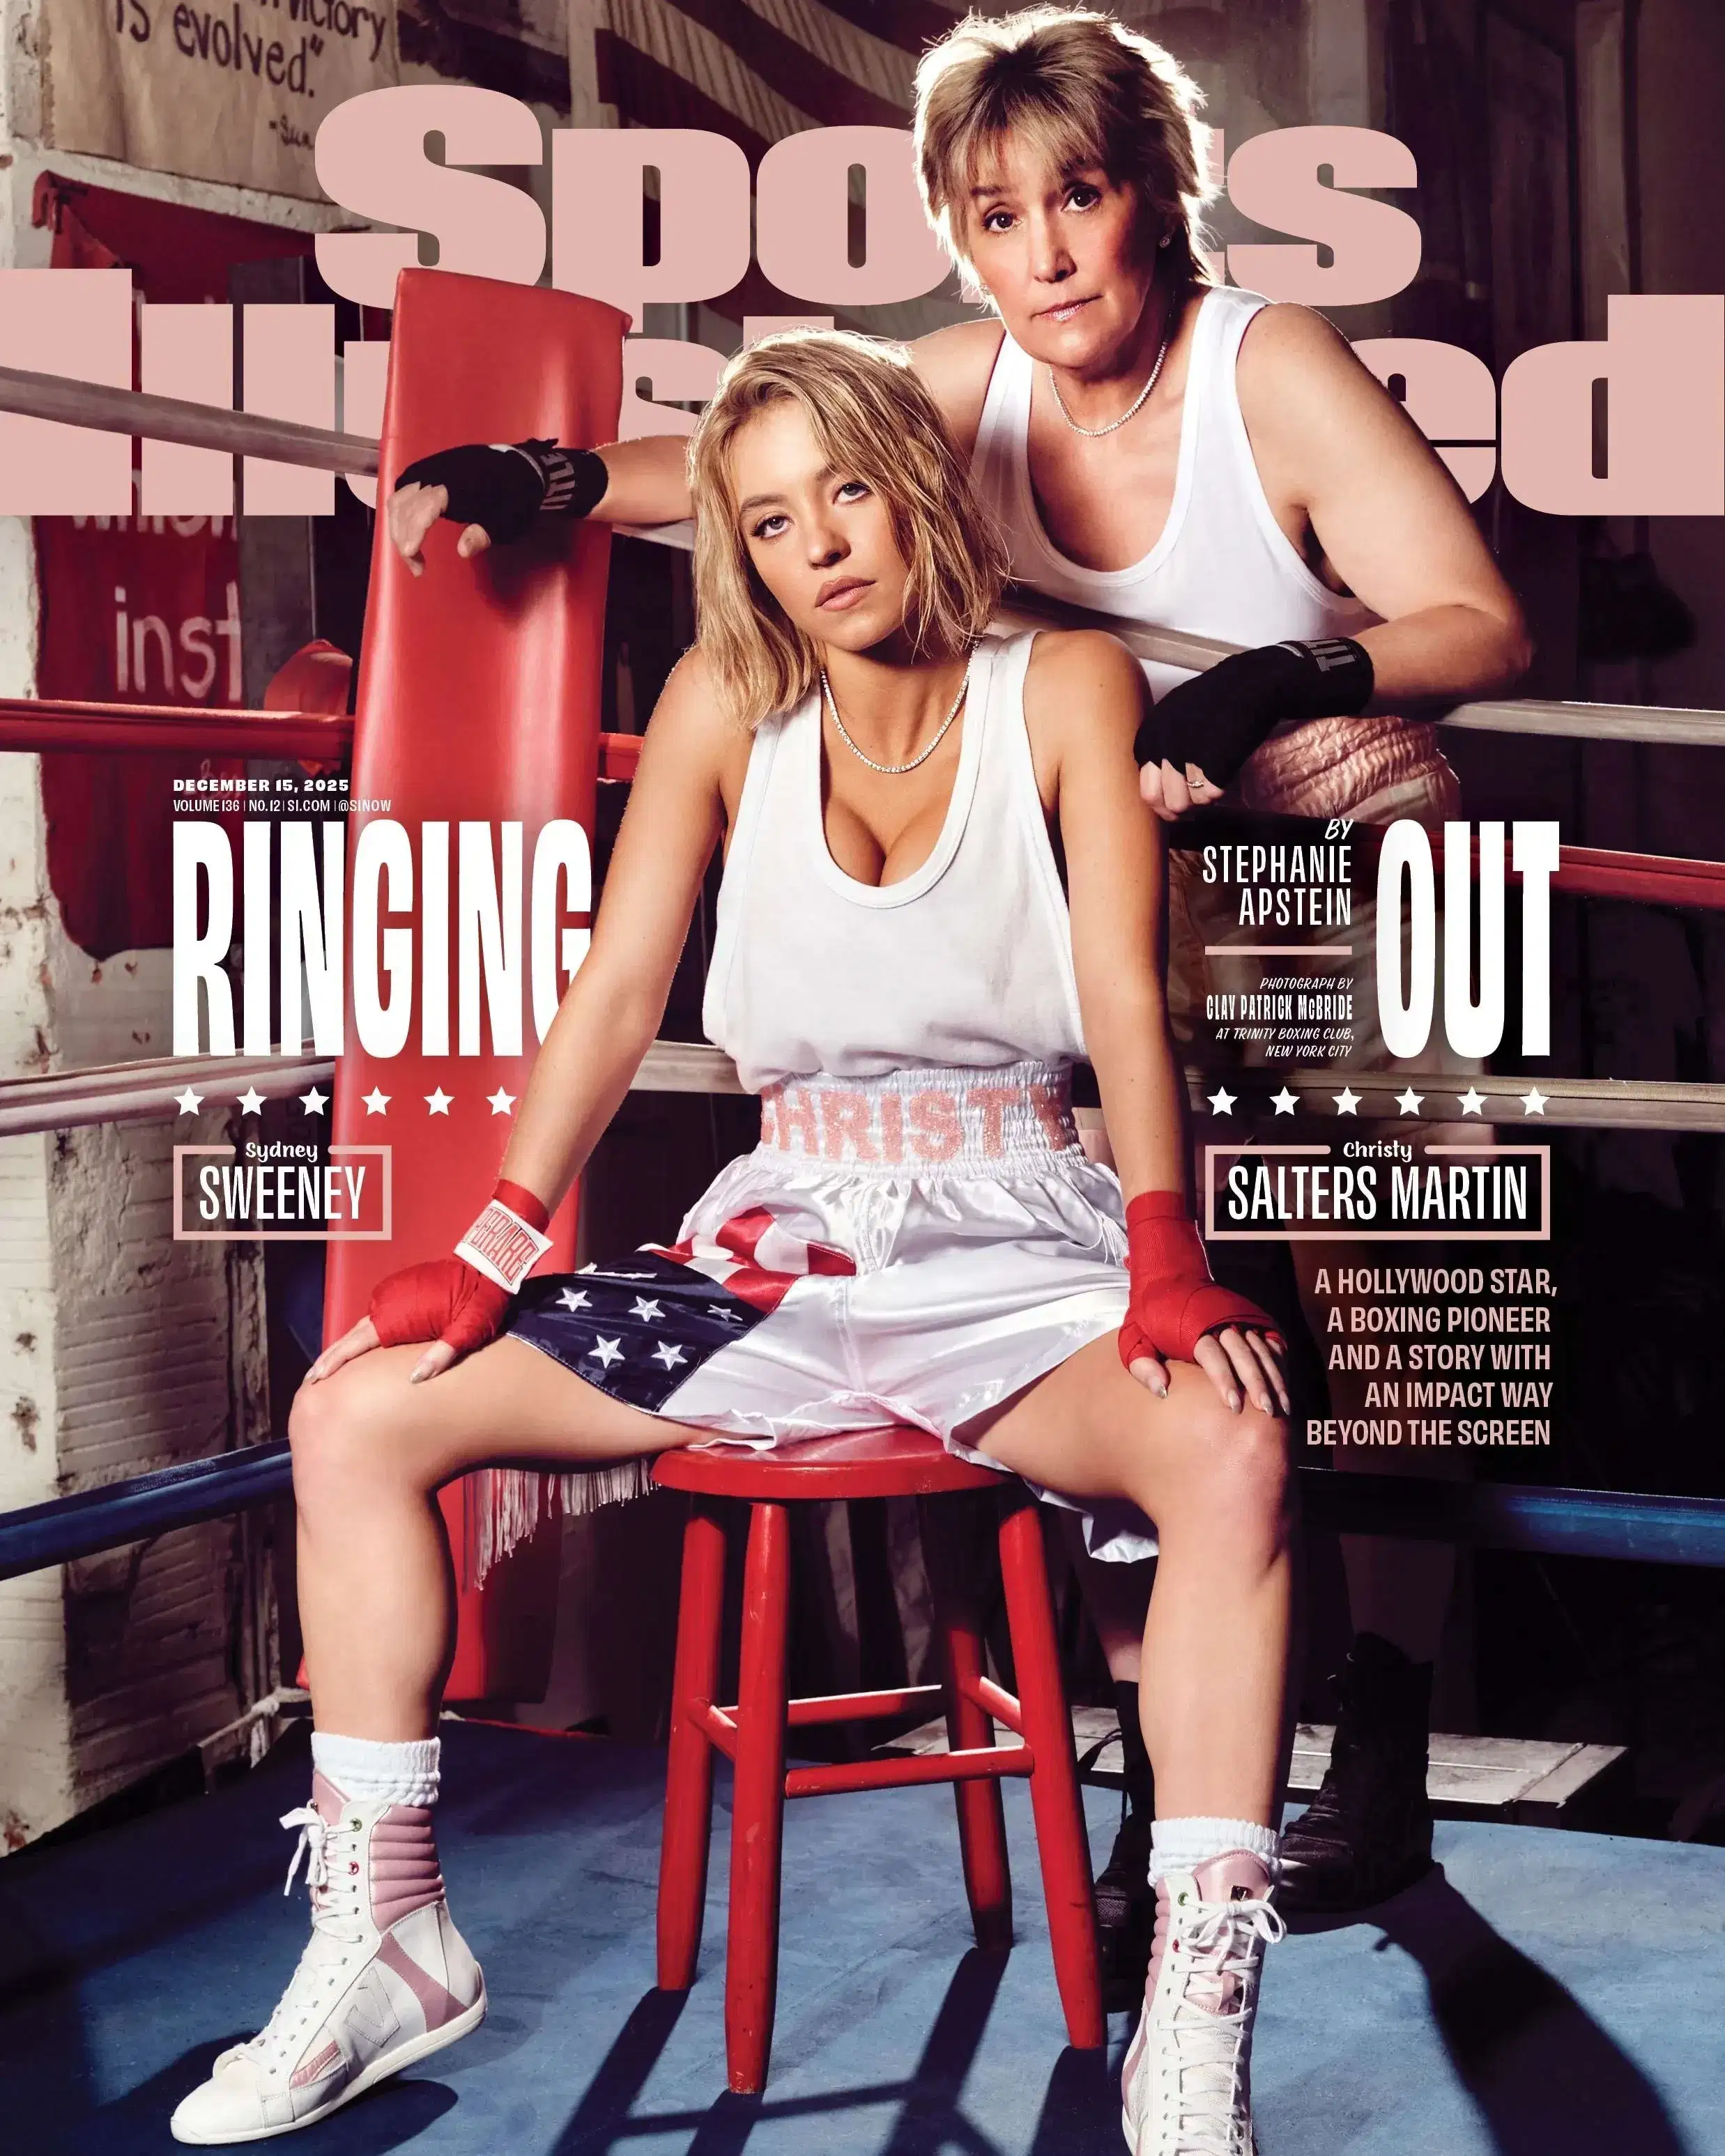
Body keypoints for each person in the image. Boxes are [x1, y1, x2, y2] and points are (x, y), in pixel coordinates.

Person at [388, 3, 1533, 1952]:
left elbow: (1481, 621)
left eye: (1078, 198)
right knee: (1113, 1298)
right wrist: (548, 478)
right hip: (1100, 868)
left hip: (1305, 836)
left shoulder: (1269, 368)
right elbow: (752, 459)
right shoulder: (967, 381)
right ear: (963, 238)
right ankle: (1165, 1781)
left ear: (1151, 193)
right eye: (998, 218)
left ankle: (1383, 1742)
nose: (1048, 255)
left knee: (1389, 1265)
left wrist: (1293, 671)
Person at [171, 330, 1291, 2154]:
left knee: (1232, 1446)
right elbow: (619, 991)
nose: (819, 544)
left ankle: (1195, 2024)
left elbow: (1117, 984)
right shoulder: (722, 703)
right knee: (355, 1410)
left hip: (1011, 1243)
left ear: (915, 489)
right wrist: (493, 1241)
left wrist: (1161, 1239)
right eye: (769, 520)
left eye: (847, 492)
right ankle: (387, 1940)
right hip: (770, 1254)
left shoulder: (1068, 684)